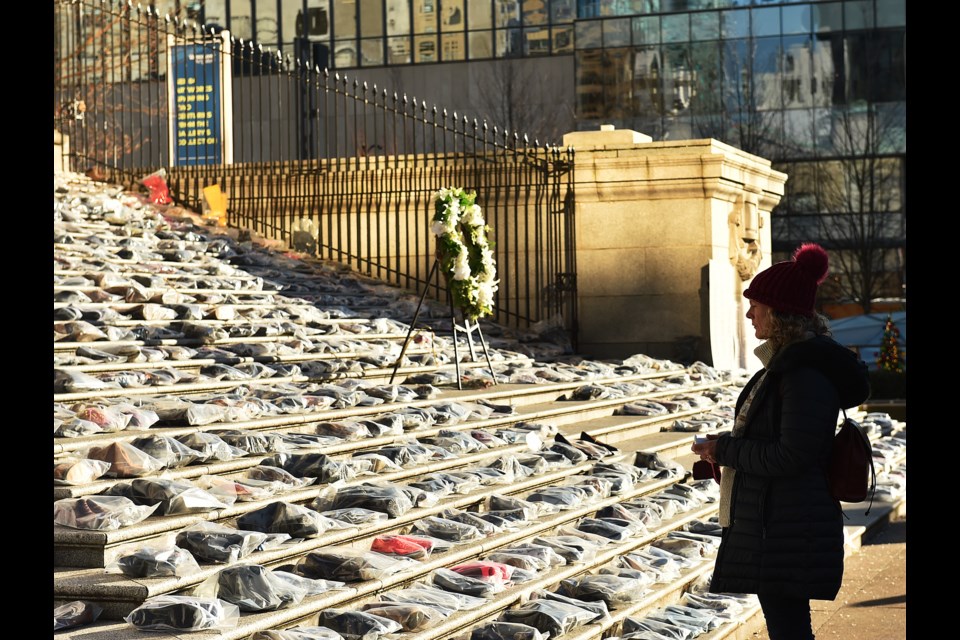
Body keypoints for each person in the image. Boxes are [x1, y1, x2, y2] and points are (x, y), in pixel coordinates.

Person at [691, 243, 870, 640]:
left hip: (787, 523)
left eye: (756, 305)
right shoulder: (788, 366)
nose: (749, 312)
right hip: (780, 520)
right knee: (787, 624)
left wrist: (724, 449)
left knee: (789, 628)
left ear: (779, 312)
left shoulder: (802, 374)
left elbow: (792, 454)